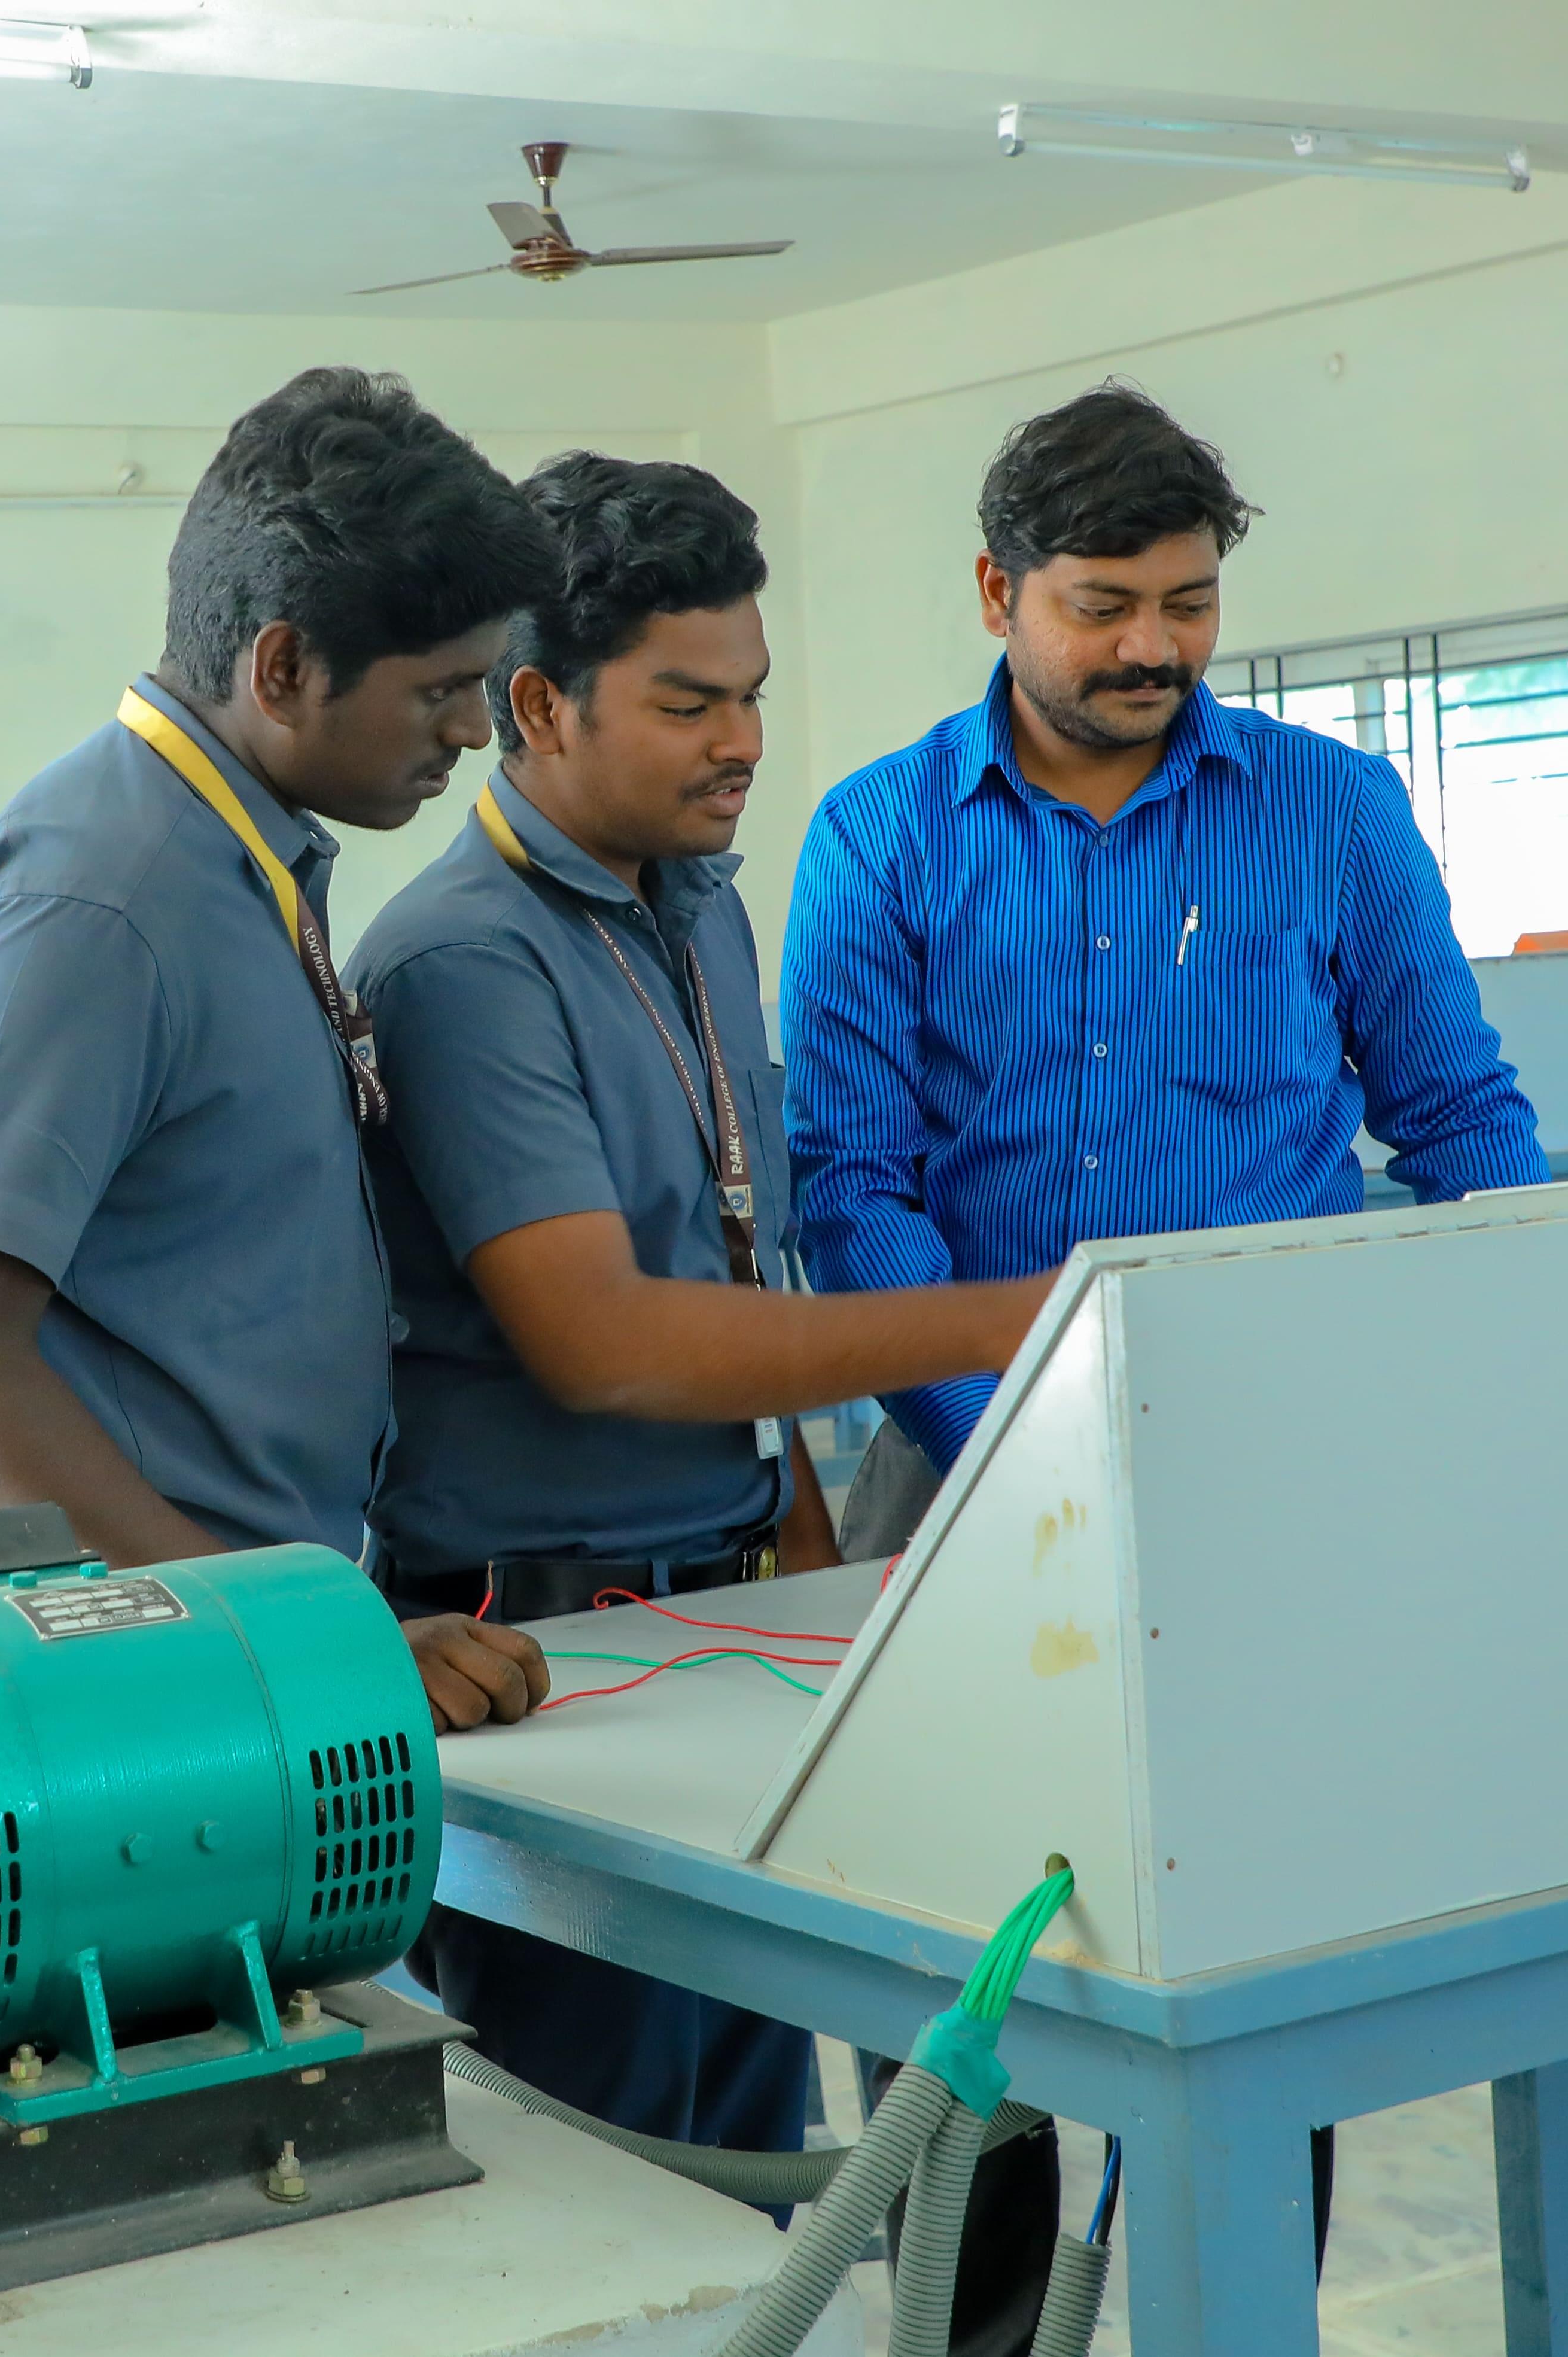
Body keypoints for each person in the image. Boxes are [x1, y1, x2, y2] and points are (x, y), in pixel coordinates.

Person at [783, 381, 1548, 2313]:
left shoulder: (1328, 808)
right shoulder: (876, 837)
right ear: (993, 589)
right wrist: (1009, 1430)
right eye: (1101, 601)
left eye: (1187, 601)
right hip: (957, 1478)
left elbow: (1453, 1113)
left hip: (1280, 1479)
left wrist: (1498, 1358)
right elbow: (847, 1186)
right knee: (959, 1974)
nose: (1148, 645)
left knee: (1240, 1980)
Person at [348, 453, 1058, 2172]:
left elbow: (741, 1254)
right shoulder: (462, 965)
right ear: (535, 702)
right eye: (686, 703)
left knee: (756, 2159)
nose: (740, 742)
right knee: (619, 2190)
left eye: (749, 696)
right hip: (549, 1665)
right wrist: (997, 1321)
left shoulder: (699, 909)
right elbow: (613, 1340)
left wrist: (805, 1557)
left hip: (724, 1609)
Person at [0, 365, 557, 1737]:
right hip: (82, 1666)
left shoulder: (237, 856)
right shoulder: (101, 894)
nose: (474, 732)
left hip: (190, 1632)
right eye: (441, 691)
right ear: (284, 666)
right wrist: (285, 1634)